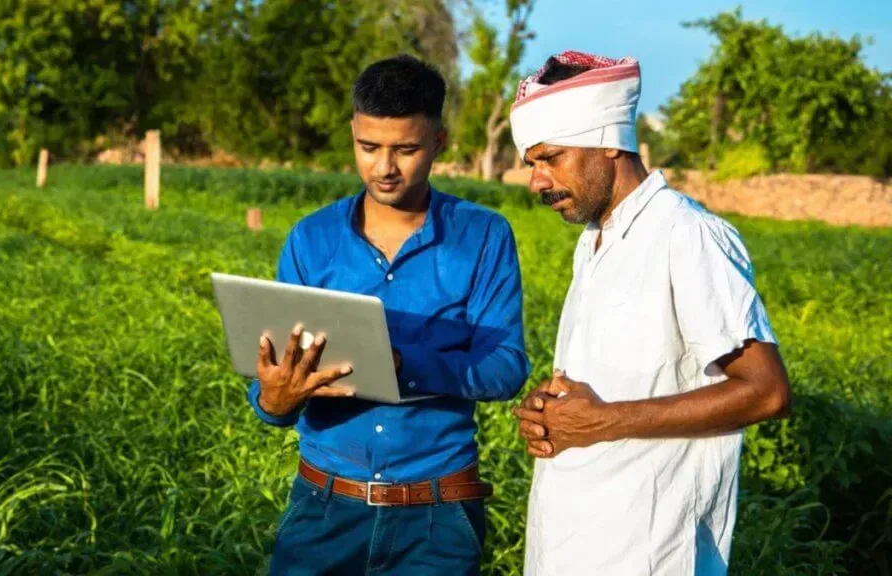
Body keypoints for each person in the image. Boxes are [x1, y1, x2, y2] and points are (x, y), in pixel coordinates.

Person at [508, 51, 793, 575]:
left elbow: (766, 390)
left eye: (551, 158)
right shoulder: (595, 240)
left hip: (649, 552)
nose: (537, 182)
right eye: (533, 164)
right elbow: (622, 379)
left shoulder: (686, 235)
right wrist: (553, 412)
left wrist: (603, 421)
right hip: (571, 542)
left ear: (608, 141)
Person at [247, 54, 530, 575]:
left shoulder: (483, 236)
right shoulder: (311, 239)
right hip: (323, 510)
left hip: (437, 518)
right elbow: (277, 375)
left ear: (439, 142)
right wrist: (273, 400)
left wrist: (404, 364)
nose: (384, 167)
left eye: (406, 149)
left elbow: (506, 366)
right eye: (369, 147)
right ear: (353, 134)